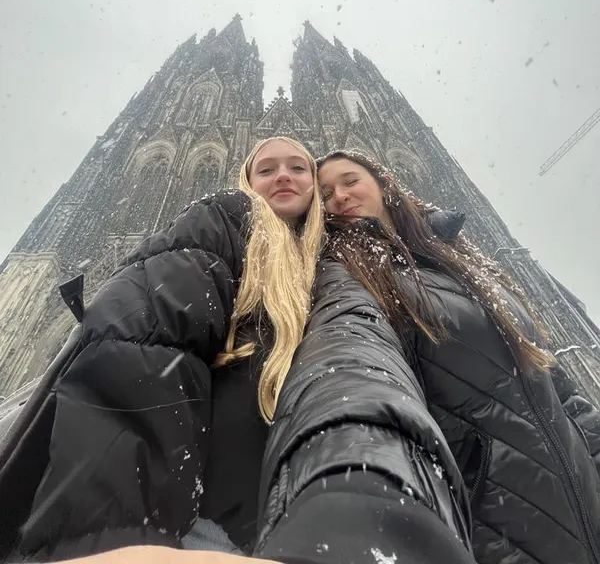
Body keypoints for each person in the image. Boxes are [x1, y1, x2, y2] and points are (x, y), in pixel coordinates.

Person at [1, 135, 477, 564]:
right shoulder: (225, 222)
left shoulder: (334, 259)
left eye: (298, 167)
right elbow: (140, 354)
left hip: (269, 503)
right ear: (245, 181)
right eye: (266, 169)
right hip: (193, 523)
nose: (284, 176)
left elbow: (352, 367)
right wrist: (116, 535)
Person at [316, 149, 600, 564]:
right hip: (497, 524)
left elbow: (550, 379)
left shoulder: (455, 254)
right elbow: (356, 364)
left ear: (383, 182)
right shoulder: (349, 273)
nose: (339, 196)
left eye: (350, 180)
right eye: (325, 193)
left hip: (581, 493)